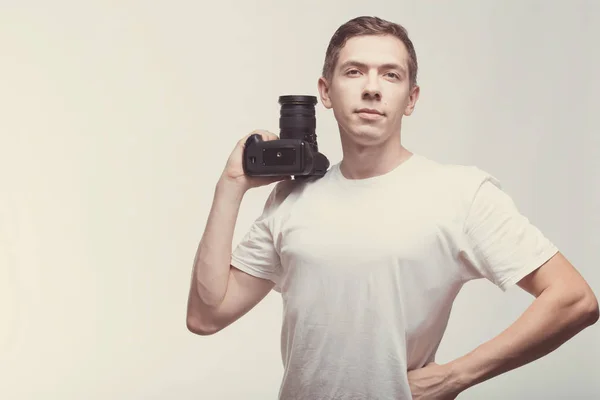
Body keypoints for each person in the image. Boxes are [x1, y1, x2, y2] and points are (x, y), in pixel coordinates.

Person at [186, 16, 599, 400]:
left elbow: (573, 299)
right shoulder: (291, 198)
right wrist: (231, 186)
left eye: (390, 74)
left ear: (411, 97)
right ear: (325, 92)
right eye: (354, 71)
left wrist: (456, 375)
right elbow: (207, 316)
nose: (372, 87)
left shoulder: (459, 193)